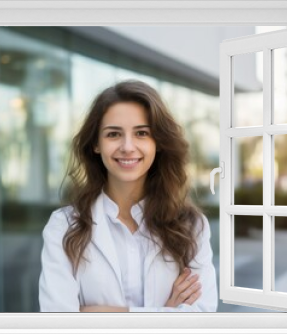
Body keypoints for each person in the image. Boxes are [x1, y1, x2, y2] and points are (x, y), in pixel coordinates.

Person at [39, 80, 217, 312]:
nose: (128, 146)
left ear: (158, 143)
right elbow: (58, 324)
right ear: (96, 144)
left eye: (142, 133)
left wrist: (100, 313)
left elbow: (202, 318)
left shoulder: (192, 226)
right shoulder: (63, 226)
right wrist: (167, 313)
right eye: (113, 134)